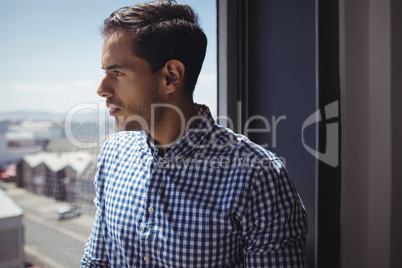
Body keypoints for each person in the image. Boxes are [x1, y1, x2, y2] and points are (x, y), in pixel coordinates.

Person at [81, 0, 308, 267]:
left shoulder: (258, 177)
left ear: (171, 76)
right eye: (104, 72)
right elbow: (96, 261)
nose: (101, 89)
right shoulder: (113, 154)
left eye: (117, 72)